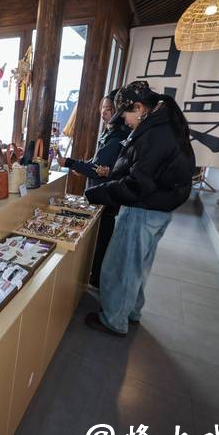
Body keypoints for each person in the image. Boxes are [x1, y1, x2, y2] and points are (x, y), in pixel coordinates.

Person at [83, 81, 195, 337]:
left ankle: (114, 320)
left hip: (143, 208)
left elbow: (137, 184)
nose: (125, 121)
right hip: (159, 208)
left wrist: (98, 193)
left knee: (121, 266)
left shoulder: (154, 134)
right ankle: (131, 311)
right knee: (139, 266)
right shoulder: (165, 125)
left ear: (139, 107)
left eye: (125, 115)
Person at [58, 89, 130, 288]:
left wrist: (70, 163)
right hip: (103, 195)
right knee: (100, 239)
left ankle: (96, 279)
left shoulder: (117, 136)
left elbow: (98, 168)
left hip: (105, 197)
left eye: (108, 109)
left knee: (101, 241)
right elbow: (96, 162)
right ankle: (94, 277)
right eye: (102, 108)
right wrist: (81, 166)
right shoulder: (110, 132)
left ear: (118, 111)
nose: (103, 112)